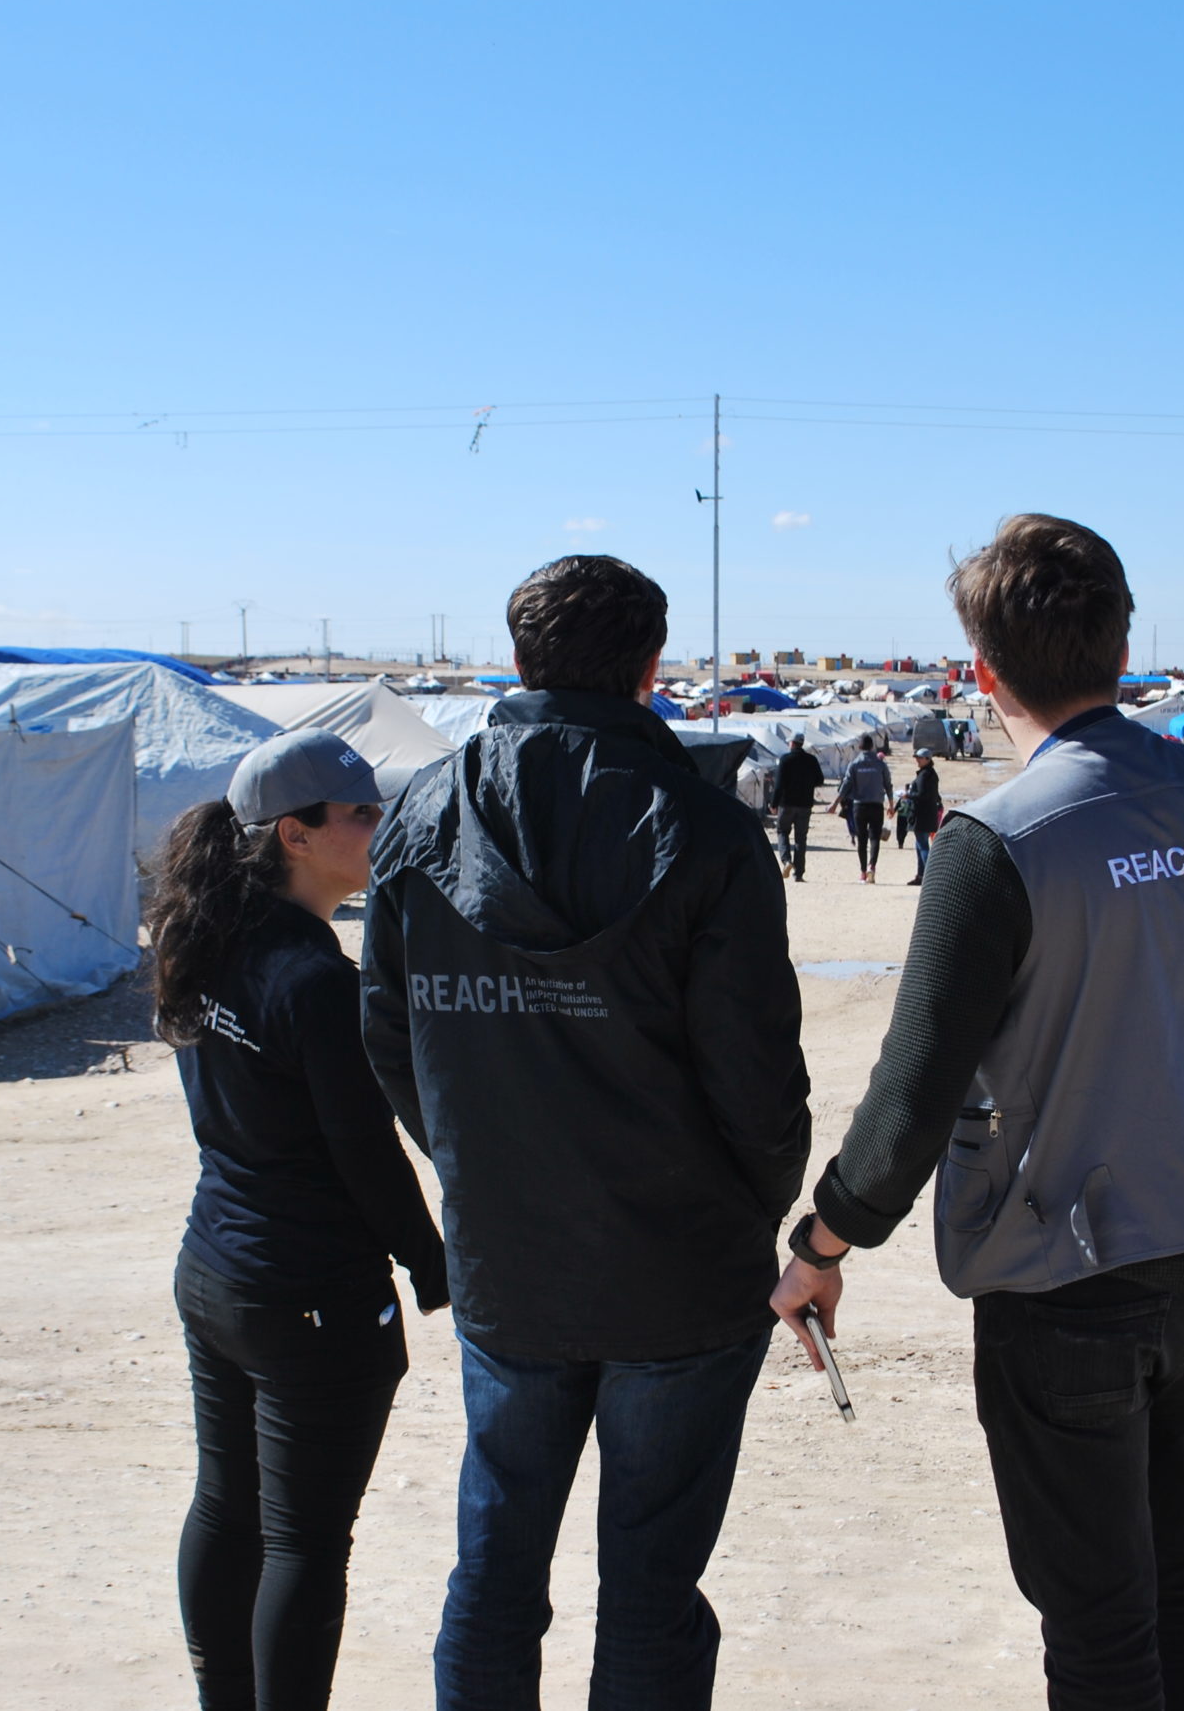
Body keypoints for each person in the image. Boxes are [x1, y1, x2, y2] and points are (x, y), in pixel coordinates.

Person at [769, 515, 1184, 1711]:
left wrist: (821, 1243)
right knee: (1173, 1575)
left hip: (1068, 1277)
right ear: (1124, 642)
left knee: (1097, 1619)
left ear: (982, 674)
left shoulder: (998, 842)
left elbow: (914, 1091)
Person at [361, 554, 812, 1711]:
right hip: (674, 1268)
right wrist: (750, 1208)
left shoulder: (420, 811)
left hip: (516, 1263)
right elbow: (758, 1087)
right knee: (646, 1581)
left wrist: (477, 1159)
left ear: (519, 662)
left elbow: (391, 1041)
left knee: (497, 1565)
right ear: (651, 669)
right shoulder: (705, 832)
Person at [147, 728, 450, 1711]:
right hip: (304, 1295)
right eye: (363, 814)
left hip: (218, 1272)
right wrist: (433, 1262)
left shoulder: (208, 936)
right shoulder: (313, 979)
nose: (382, 827)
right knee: (303, 1540)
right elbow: (364, 1149)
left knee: (230, 1510)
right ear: (295, 834)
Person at [774, 731, 825, 882]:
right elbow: (820, 779)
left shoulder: (785, 760)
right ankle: (799, 873)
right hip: (805, 804)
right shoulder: (811, 760)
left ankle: (786, 860)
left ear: (791, 743)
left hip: (787, 803)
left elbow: (779, 784)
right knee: (800, 838)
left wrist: (773, 803)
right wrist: (807, 784)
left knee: (782, 831)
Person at [844, 737, 893, 882]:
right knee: (874, 837)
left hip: (859, 806)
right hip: (876, 805)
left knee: (862, 839)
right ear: (872, 746)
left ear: (859, 747)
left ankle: (863, 872)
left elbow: (846, 785)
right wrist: (890, 804)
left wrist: (835, 803)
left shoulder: (854, 764)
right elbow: (888, 784)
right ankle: (872, 866)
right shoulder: (880, 764)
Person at [903, 746, 944, 885]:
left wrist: (907, 795)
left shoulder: (925, 775)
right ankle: (921, 876)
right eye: (917, 758)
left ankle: (929, 877)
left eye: (920, 758)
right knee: (919, 845)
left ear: (927, 759)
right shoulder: (929, 774)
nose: (918, 761)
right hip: (926, 814)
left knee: (923, 846)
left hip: (922, 815)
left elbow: (921, 795)